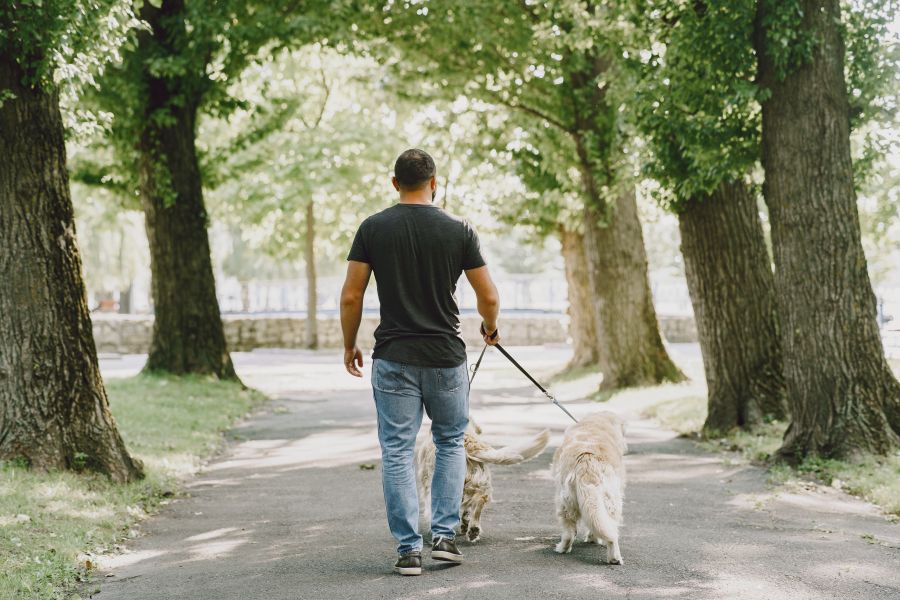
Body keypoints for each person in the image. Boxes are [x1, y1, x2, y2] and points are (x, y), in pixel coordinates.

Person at [339, 148, 501, 576]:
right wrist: (489, 326)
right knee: (450, 442)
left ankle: (409, 549)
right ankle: (445, 538)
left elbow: (351, 294)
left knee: (396, 450)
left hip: (393, 356)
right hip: (446, 358)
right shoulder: (458, 229)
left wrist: (348, 343)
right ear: (434, 182)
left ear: (395, 184)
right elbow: (489, 296)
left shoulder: (373, 228)